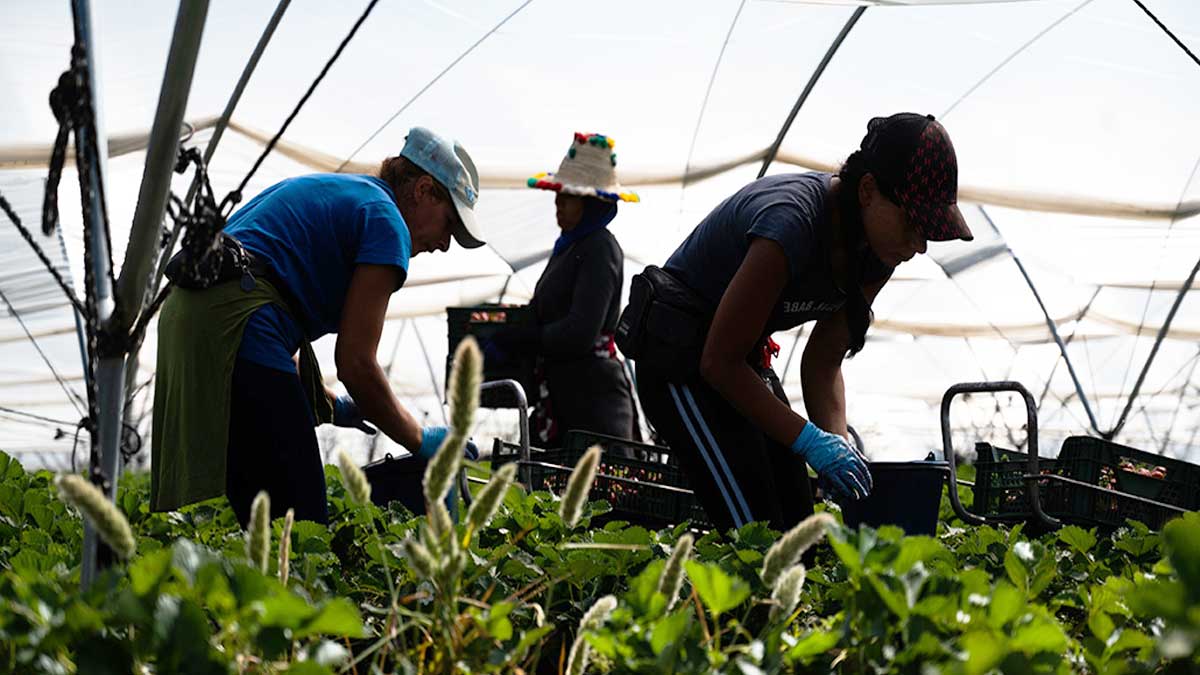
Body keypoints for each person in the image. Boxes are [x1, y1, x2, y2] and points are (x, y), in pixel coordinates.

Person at [619, 113, 973, 533]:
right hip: (680, 360)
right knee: (753, 531)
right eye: (913, 224)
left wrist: (835, 444)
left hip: (737, 361)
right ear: (867, 191)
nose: (919, 245)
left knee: (796, 524)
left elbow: (823, 362)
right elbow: (718, 362)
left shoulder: (878, 252)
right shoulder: (790, 222)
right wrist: (808, 441)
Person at [151, 127, 484, 527]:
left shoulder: (345, 193)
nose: (446, 243)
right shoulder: (385, 222)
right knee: (301, 521)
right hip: (236, 322)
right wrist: (420, 439)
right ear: (424, 190)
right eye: (449, 223)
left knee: (266, 518)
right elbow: (356, 363)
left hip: (191, 315)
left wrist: (333, 405)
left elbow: (270, 289)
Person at [484, 132, 640, 448]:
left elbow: (581, 331)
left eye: (567, 197)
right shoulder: (569, 247)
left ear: (591, 202)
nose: (558, 203)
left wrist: (524, 339)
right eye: (558, 195)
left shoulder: (599, 247)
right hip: (563, 394)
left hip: (593, 404)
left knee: (598, 489)